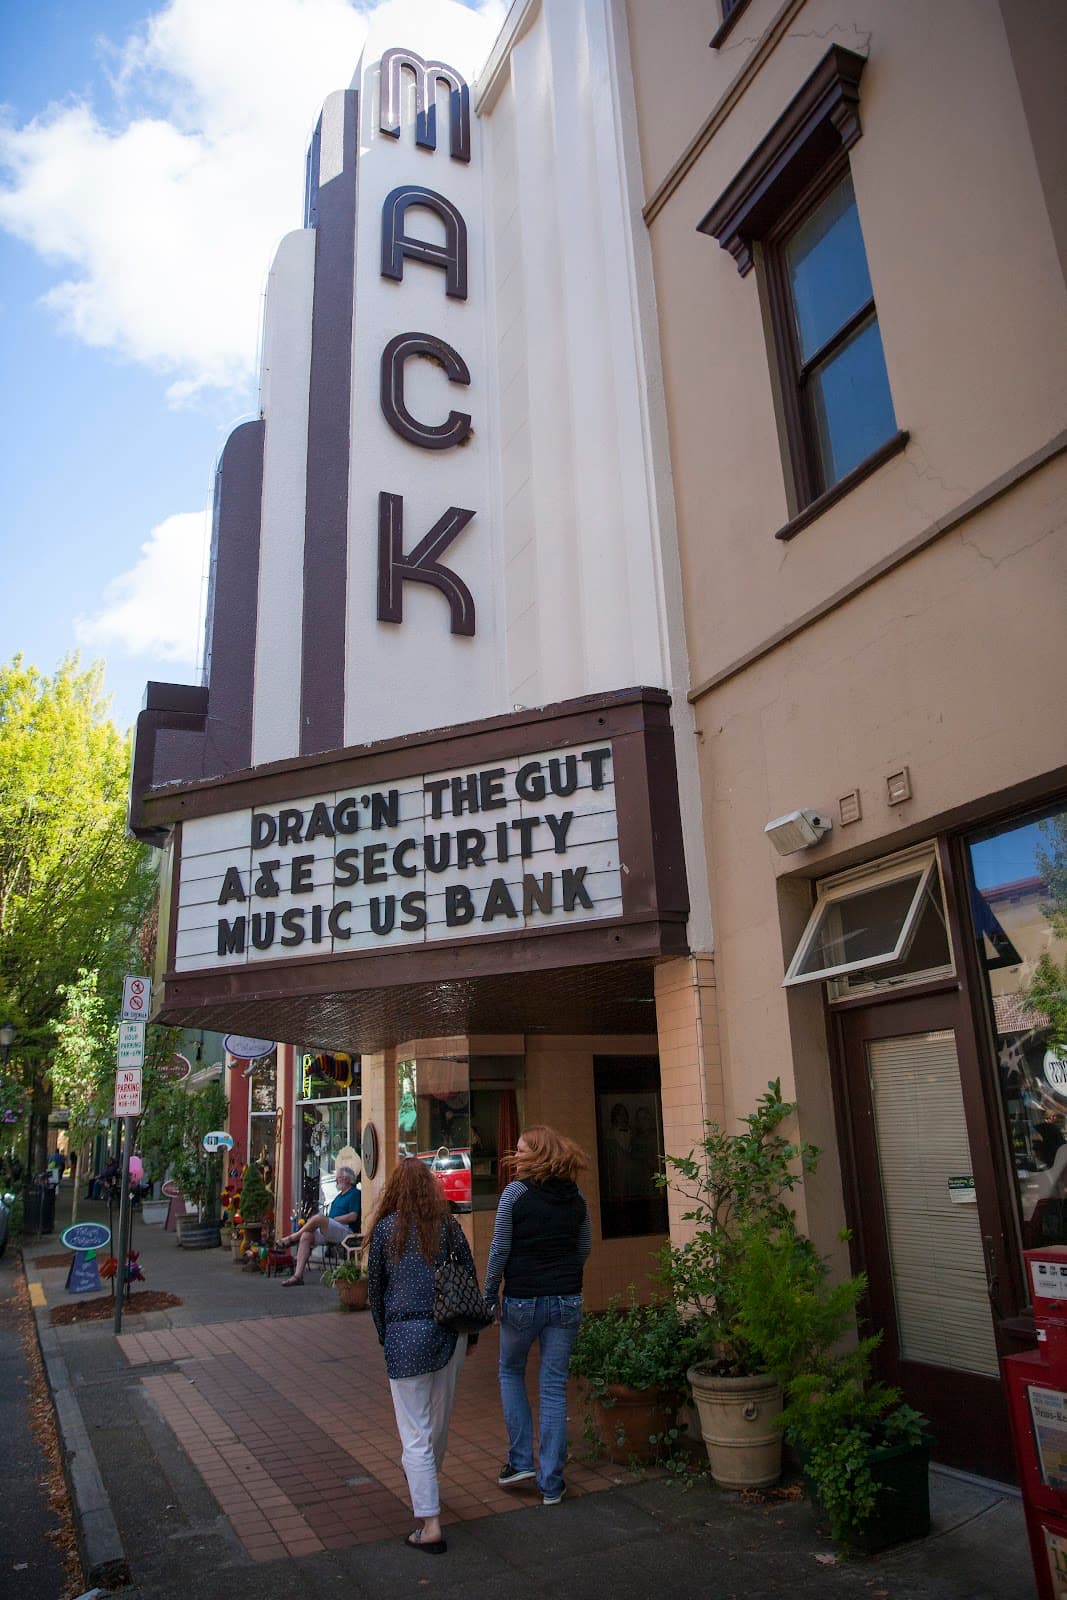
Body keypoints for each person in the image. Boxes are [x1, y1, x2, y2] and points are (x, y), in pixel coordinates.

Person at [367, 1157, 476, 1555]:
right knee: (438, 1422)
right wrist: (470, 1332)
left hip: (404, 1337)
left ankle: (429, 1523)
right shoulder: (447, 1226)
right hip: (448, 1331)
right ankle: (428, 1485)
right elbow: (468, 1275)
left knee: (414, 1430)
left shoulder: (385, 1230)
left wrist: (385, 1335)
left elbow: (375, 1290)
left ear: (395, 1190)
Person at [482, 1123, 591, 1507]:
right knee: (553, 1385)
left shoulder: (515, 1194)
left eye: (522, 1150)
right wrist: (566, 1275)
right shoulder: (575, 1195)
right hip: (567, 1300)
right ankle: (551, 1483)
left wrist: (489, 1293)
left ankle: (520, 1462)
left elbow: (499, 1248)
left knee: (511, 1371)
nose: (516, 1155)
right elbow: (584, 1246)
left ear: (538, 1154)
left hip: (522, 1301)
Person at [276, 1164, 361, 1285]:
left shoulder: (355, 1193)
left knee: (318, 1218)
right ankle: (297, 1276)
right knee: (306, 1236)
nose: (337, 1180)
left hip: (347, 1231)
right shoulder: (338, 1197)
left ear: (347, 1179)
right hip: (333, 1229)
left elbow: (353, 1216)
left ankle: (293, 1237)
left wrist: (336, 1219)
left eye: (339, 1177)